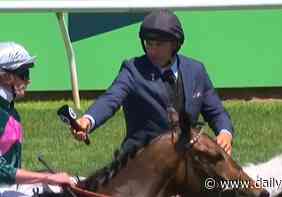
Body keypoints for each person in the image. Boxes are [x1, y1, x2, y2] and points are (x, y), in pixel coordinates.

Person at [72, 10, 235, 160]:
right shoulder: (132, 70)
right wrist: (88, 121)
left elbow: (216, 112)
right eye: (149, 44)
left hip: (186, 161)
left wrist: (225, 133)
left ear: (175, 44)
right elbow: (110, 99)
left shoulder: (196, 70)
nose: (152, 50)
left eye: (159, 44)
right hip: (140, 161)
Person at [0, 42, 75, 190]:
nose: (28, 80)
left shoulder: (11, 112)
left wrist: (43, 177)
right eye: (24, 74)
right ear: (6, 77)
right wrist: (46, 178)